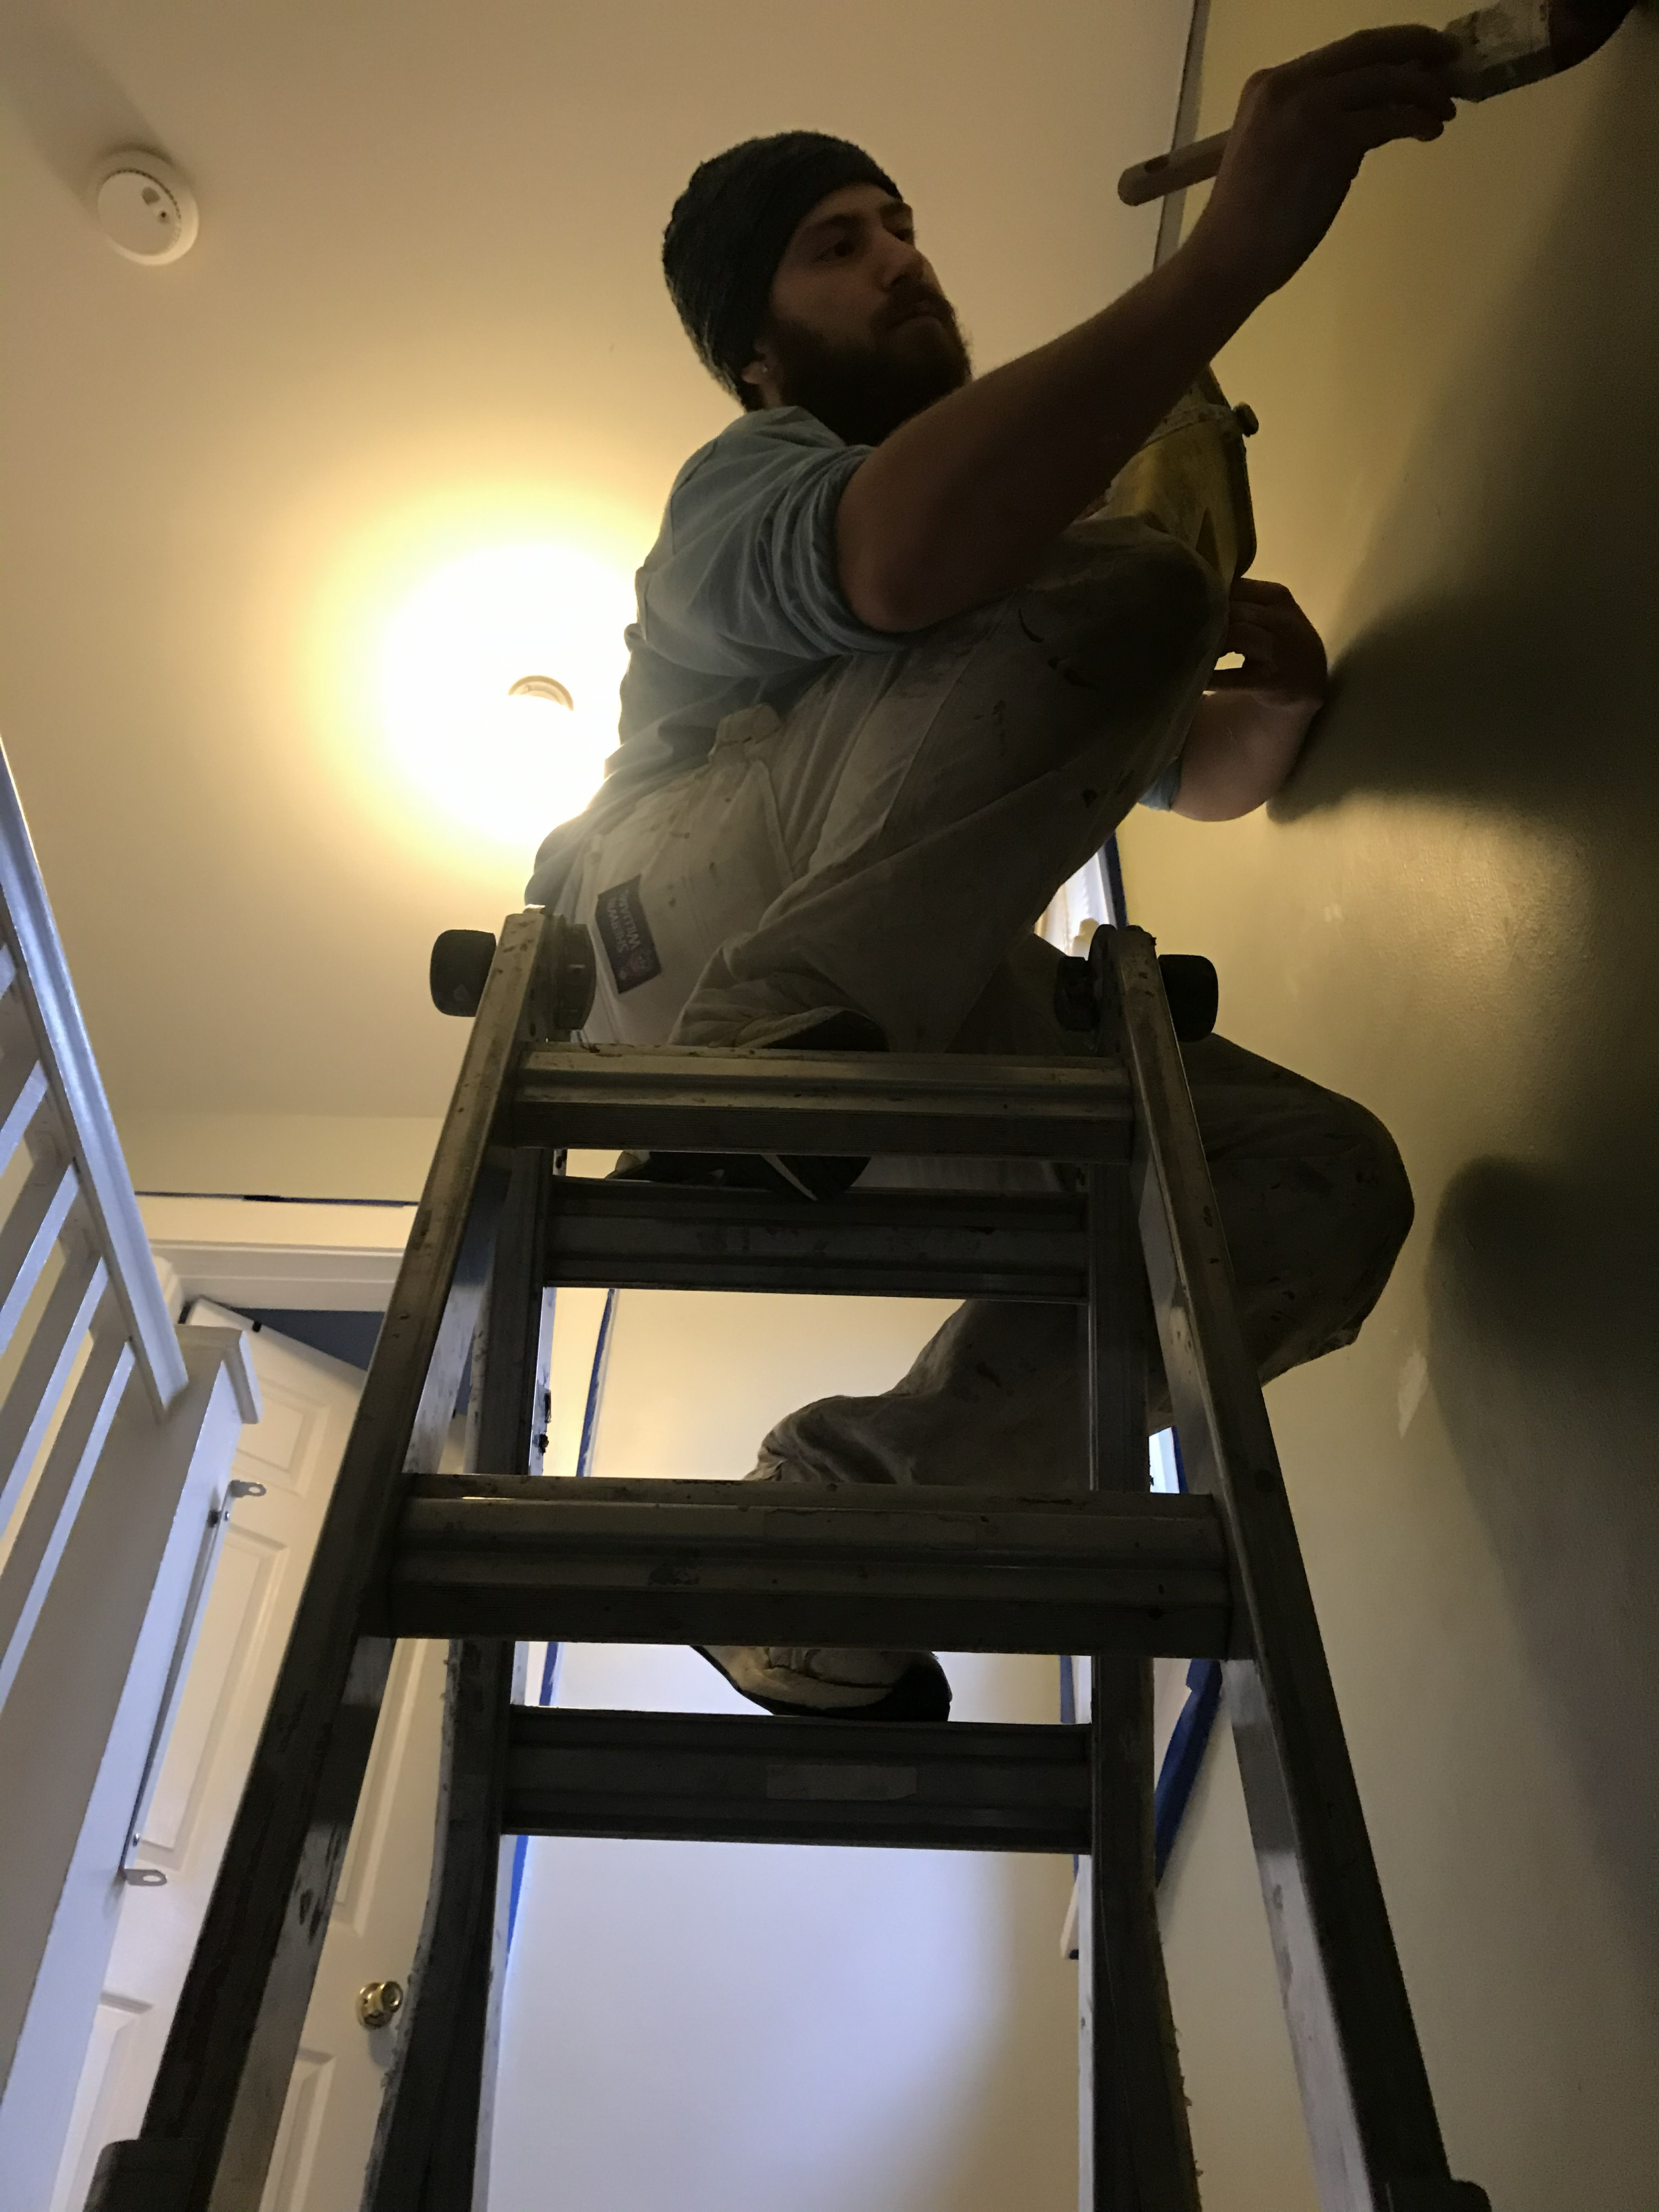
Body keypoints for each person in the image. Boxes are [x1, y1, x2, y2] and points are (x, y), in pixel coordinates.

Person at [526, 28, 1457, 1720]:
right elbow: (890, 559)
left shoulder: (998, 613)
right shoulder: (743, 486)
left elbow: (1215, 773)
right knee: (1122, 588)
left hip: (889, 1029)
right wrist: (1232, 256)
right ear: (756, 360)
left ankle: (822, 1543)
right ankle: (758, 1060)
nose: (899, 259)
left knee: (1317, 1185)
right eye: (838, 246)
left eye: (897, 226)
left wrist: (1293, 692)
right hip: (664, 945)